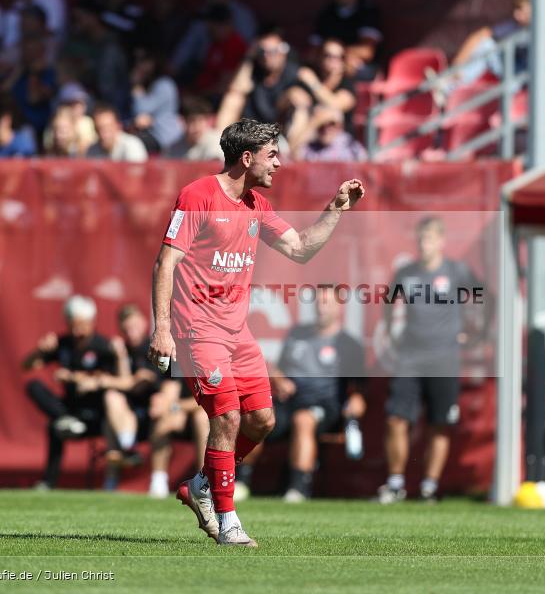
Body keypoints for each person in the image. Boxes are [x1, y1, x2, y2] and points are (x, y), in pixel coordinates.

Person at [147, 118, 365, 546]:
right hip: (198, 331)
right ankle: (228, 521)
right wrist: (162, 329)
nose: (279, 164)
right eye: (272, 155)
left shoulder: (255, 206)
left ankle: (203, 485)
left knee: (262, 421)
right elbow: (165, 263)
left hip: (237, 334)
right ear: (246, 158)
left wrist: (335, 207)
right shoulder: (198, 196)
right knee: (226, 416)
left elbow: (299, 249)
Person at [378, 216, 485, 503]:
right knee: (396, 419)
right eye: (420, 239)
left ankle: (429, 487)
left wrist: (475, 336)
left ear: (441, 241)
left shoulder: (456, 272)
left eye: (429, 239)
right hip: (410, 357)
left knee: (439, 423)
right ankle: (396, 483)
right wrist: (392, 332)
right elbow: (388, 304)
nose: (424, 245)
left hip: (444, 358)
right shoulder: (406, 273)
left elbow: (486, 299)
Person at [264, 284, 366, 502]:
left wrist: (355, 405)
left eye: (327, 302)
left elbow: (359, 391)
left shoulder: (349, 345)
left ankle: (298, 487)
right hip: (289, 400)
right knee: (257, 415)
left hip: (326, 407)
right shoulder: (297, 334)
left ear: (340, 306)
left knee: (304, 418)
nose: (322, 307)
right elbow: (277, 370)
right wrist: (280, 380)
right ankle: (239, 481)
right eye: (319, 302)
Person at [102, 304, 209, 498]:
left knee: (199, 417)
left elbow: (209, 397)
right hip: (145, 413)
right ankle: (142, 475)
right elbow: (165, 387)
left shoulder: (207, 354)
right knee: (113, 411)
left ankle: (205, 481)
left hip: (193, 411)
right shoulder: (163, 351)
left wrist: (177, 407)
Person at [22, 295, 118, 489]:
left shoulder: (103, 346)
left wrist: (74, 377)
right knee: (35, 388)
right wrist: (40, 350)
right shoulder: (63, 343)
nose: (76, 330)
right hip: (70, 409)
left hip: (96, 413)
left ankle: (67, 421)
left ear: (91, 322)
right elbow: (27, 365)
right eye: (72, 325)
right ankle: (49, 482)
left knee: (57, 424)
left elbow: (110, 379)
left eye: (81, 325)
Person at [216, 26, 299, 130]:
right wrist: (249, 58)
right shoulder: (254, 69)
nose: (266, 56)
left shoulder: (294, 72)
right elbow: (236, 88)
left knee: (298, 98)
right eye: (262, 51)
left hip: (279, 129)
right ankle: (221, 140)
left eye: (272, 51)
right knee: (233, 97)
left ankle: (291, 146)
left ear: (283, 52)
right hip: (253, 128)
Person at [451, 0, 531, 86]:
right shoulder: (515, 25)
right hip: (511, 72)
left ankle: (449, 86)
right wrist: (458, 64)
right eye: (516, 9)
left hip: (530, 77)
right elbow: (481, 35)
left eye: (521, 9)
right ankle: (450, 85)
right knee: (487, 45)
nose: (516, 14)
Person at [310, 0, 382, 81]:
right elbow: (312, 52)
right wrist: (330, 59)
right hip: (326, 66)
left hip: (358, 67)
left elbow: (367, 51)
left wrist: (339, 56)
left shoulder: (367, 11)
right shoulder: (326, 13)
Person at [130, 48, 184, 154]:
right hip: (152, 133)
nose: (139, 65)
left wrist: (136, 86)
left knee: (133, 143)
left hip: (164, 136)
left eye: (143, 61)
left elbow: (140, 109)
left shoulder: (164, 84)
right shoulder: (152, 84)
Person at [295, 106, 367, 162]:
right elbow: (293, 155)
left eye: (331, 124)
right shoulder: (310, 148)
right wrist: (313, 123)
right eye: (321, 124)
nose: (326, 129)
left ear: (340, 126)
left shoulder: (351, 146)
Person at [164, 95, 224, 161]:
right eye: (192, 121)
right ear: (183, 122)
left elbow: (216, 167)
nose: (197, 127)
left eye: (200, 121)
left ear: (207, 121)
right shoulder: (174, 148)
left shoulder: (217, 142)